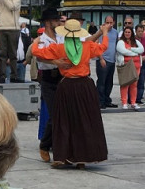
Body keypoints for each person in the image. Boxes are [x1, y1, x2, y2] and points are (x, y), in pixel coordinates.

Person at [30, 18, 114, 168]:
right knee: (84, 121)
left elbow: (36, 52)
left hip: (67, 86)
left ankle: (63, 156)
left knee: (64, 121)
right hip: (84, 86)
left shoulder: (59, 48)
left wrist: (36, 41)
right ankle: (81, 159)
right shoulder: (87, 46)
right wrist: (105, 33)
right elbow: (104, 47)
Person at [35, 9, 65, 161]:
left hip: (61, 77)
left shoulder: (61, 37)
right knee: (54, 114)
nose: (58, 22)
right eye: (55, 20)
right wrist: (54, 61)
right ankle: (44, 145)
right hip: (48, 78)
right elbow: (40, 57)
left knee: (63, 114)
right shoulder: (41, 39)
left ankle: (59, 145)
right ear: (48, 22)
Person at [116, 26, 145, 109]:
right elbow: (123, 51)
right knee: (125, 84)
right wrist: (135, 53)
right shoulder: (121, 42)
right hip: (127, 66)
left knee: (134, 85)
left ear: (132, 33)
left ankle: (133, 102)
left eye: (129, 32)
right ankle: (124, 102)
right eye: (126, 32)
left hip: (137, 66)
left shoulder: (135, 41)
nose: (127, 34)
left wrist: (131, 48)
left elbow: (141, 49)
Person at [95, 14, 118, 108]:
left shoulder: (116, 32)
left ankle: (107, 100)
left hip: (112, 60)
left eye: (111, 22)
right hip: (103, 59)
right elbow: (96, 45)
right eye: (107, 22)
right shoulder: (100, 32)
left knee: (109, 82)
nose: (109, 24)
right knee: (101, 82)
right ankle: (100, 101)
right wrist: (101, 58)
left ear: (114, 23)